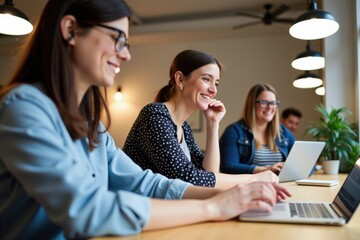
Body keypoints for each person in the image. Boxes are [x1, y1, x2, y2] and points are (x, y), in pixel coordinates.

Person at [0, 1, 291, 239]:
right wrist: (215, 206)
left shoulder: (92, 126)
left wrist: (238, 194)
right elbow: (87, 209)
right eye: (118, 39)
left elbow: (147, 184)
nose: (125, 55)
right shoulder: (23, 108)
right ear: (71, 29)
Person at [123, 50, 278, 189]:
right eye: (206, 79)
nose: (213, 90)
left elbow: (209, 173)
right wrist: (254, 178)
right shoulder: (154, 115)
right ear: (180, 79)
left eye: (216, 83)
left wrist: (213, 124)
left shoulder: (183, 127)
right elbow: (188, 178)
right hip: (135, 211)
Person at [220, 83, 296, 175]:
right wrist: (265, 169)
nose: (270, 107)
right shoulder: (234, 131)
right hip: (251, 186)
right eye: (264, 102)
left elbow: (303, 165)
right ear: (252, 105)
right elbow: (227, 166)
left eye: (273, 103)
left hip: (280, 184)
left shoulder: (283, 132)